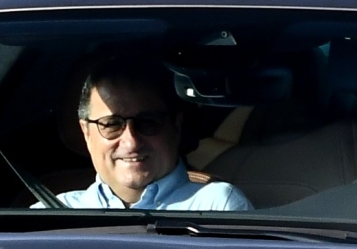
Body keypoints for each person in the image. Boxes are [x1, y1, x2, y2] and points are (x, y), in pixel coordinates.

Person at [50, 60, 250, 211]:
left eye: (148, 123)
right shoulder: (51, 214)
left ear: (176, 126)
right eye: (112, 125)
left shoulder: (216, 207)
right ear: (86, 132)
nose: (131, 142)